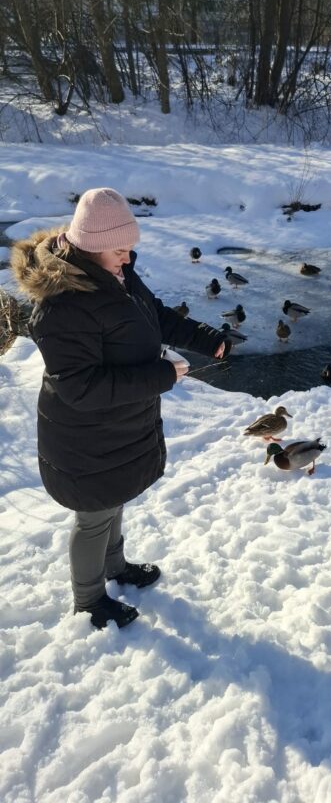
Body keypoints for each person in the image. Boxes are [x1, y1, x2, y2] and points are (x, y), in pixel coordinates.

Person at [11, 188, 228, 630]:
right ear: (91, 245)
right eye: (120, 250)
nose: (128, 258)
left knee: (113, 499)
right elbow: (81, 388)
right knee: (94, 516)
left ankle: (115, 566)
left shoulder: (115, 272)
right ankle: (89, 600)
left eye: (129, 249)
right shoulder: (63, 305)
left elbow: (153, 315)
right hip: (83, 437)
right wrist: (161, 376)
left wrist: (205, 338)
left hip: (118, 426)